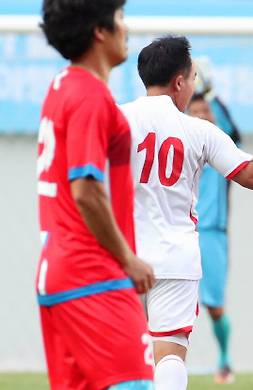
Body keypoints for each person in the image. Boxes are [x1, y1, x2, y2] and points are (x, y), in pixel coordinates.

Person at [120, 35, 253, 390]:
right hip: (176, 259)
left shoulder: (117, 118)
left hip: (124, 255)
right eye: (192, 78)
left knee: (121, 359)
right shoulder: (199, 130)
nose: (193, 86)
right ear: (179, 82)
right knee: (171, 355)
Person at [36, 0, 156, 389]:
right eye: (120, 18)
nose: (127, 29)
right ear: (100, 31)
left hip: (61, 275)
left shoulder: (62, 85)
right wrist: (128, 259)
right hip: (94, 276)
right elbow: (86, 189)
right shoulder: (90, 94)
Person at [187, 92, 239, 384]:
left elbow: (234, 131)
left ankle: (225, 360)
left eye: (207, 110)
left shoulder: (221, 148)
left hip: (212, 234)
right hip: (179, 231)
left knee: (215, 304)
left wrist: (212, 92)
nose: (203, 115)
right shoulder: (178, 144)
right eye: (196, 110)